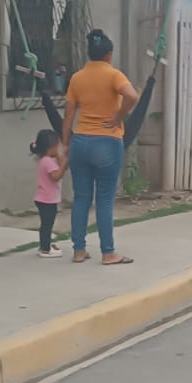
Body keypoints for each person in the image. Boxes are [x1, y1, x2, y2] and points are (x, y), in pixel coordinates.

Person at [61, 29, 140, 265]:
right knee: (104, 199)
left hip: (80, 142)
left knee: (81, 198)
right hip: (107, 141)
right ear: (109, 55)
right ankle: (108, 253)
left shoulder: (77, 78)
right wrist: (118, 117)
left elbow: (68, 115)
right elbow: (132, 96)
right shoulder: (114, 75)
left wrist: (65, 143)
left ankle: (78, 250)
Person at [29, 129, 66, 258]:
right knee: (47, 225)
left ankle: (46, 244)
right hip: (47, 200)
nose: (58, 148)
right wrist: (63, 165)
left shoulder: (47, 159)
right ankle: (45, 249)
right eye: (57, 145)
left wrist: (61, 160)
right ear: (50, 147)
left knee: (47, 224)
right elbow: (55, 177)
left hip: (46, 199)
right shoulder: (47, 161)